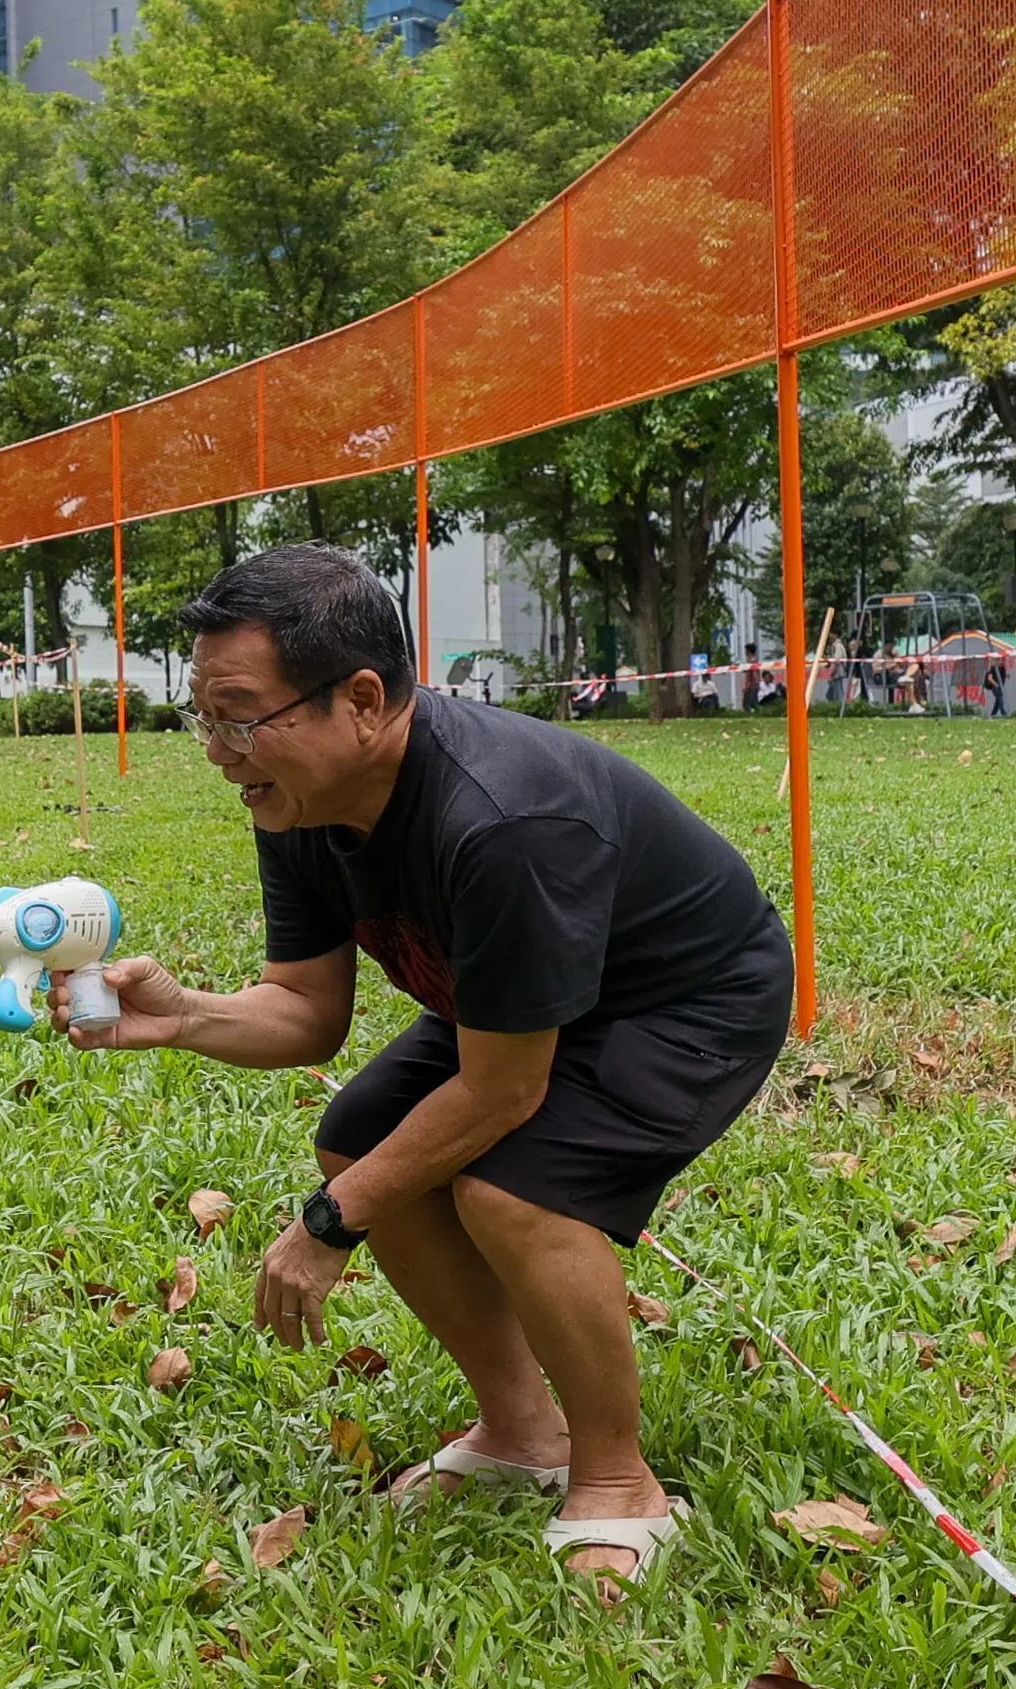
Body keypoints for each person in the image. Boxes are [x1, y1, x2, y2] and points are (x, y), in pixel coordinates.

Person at [70, 543, 793, 1584]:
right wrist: (182, 1015)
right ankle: (519, 1432)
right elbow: (306, 1012)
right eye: (204, 716)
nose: (220, 748)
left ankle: (618, 1476)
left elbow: (505, 1090)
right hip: (526, 1003)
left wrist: (328, 1221)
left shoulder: (501, 818)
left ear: (361, 698)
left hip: (686, 995)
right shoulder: (297, 798)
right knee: (357, 1137)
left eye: (239, 713)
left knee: (516, 1195)